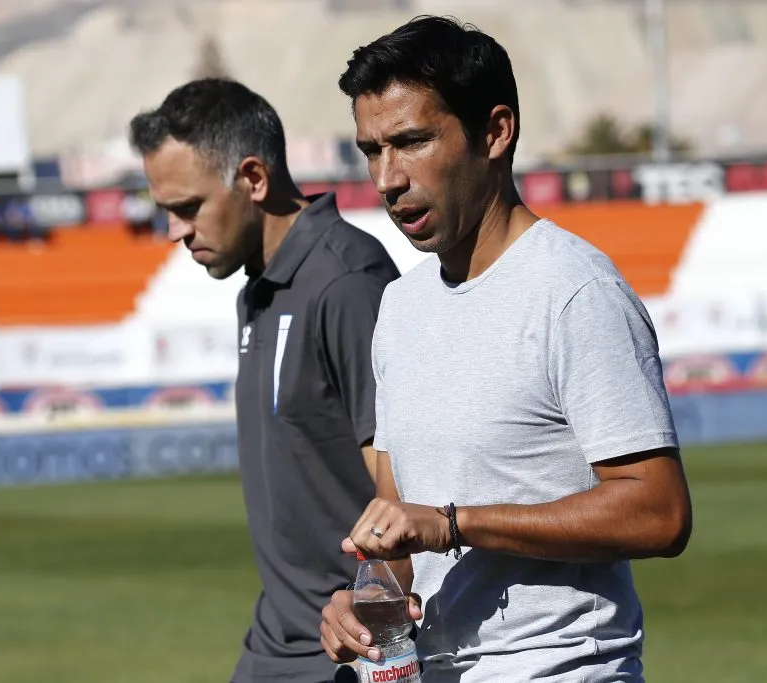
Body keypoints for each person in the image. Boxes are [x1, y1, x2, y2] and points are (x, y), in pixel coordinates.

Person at [320, 16, 693, 682]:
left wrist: (456, 523)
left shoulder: (574, 290)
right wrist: (364, 599)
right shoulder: (400, 307)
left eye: (411, 142)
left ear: (495, 132)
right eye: (371, 150)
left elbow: (659, 512)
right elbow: (398, 527)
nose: (387, 177)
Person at [129, 78, 400, 683]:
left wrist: (375, 617)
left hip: (346, 646)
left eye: (188, 207)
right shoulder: (257, 289)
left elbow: (405, 484)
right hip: (274, 639)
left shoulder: (347, 282)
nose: (174, 230)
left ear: (253, 178)